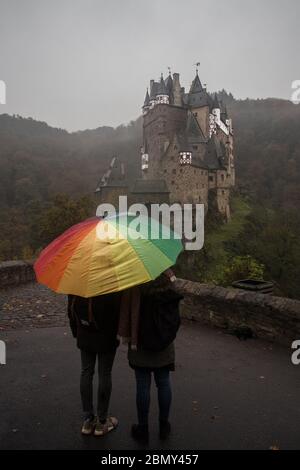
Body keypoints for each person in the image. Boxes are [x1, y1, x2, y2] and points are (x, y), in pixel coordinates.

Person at [119, 271, 183, 444]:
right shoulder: (168, 279)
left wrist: (125, 334)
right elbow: (176, 302)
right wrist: (171, 275)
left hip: (140, 342)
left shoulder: (134, 280)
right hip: (164, 341)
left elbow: (125, 310)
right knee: (163, 382)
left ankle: (143, 429)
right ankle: (163, 426)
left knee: (142, 385)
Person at [68, 291, 121, 436]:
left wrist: (76, 332)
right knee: (104, 373)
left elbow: (71, 310)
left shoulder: (77, 280)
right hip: (107, 337)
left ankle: (88, 420)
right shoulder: (110, 282)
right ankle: (102, 422)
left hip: (84, 334)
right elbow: (116, 313)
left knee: (86, 372)